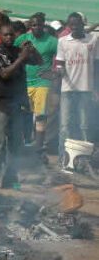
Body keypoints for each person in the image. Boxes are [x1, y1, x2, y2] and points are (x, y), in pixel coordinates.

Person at [0, 24, 41, 189]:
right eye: (5, 35)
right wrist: (22, 58)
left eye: (11, 35)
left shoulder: (17, 51)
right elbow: (5, 74)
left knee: (16, 143)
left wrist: (31, 49)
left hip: (16, 103)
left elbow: (39, 61)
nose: (9, 38)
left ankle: (10, 178)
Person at [55, 12, 99, 167]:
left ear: (82, 24)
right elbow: (59, 63)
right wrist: (60, 71)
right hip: (67, 89)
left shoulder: (93, 39)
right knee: (64, 126)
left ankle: (85, 161)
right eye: (71, 24)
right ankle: (63, 158)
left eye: (77, 24)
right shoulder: (62, 41)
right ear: (68, 26)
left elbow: (97, 64)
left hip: (86, 89)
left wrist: (96, 88)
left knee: (84, 125)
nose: (74, 27)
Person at [15, 13, 59, 152]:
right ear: (30, 26)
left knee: (40, 115)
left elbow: (64, 58)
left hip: (42, 82)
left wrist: (54, 73)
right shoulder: (24, 38)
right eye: (34, 25)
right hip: (25, 82)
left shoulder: (52, 41)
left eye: (39, 25)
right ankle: (24, 143)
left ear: (44, 25)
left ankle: (39, 147)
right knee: (24, 113)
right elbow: (11, 51)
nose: (36, 27)